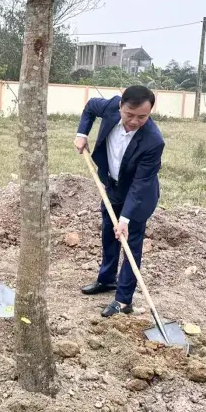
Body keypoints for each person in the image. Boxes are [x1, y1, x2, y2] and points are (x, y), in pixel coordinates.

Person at [74, 85, 164, 318]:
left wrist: (125, 218)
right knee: (108, 233)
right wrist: (82, 133)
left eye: (142, 117)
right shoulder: (109, 106)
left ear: (150, 112)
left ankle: (124, 300)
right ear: (120, 106)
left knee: (129, 242)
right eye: (129, 114)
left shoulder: (153, 141)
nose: (134, 121)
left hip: (139, 196)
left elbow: (141, 184)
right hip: (112, 185)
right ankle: (106, 280)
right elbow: (90, 108)